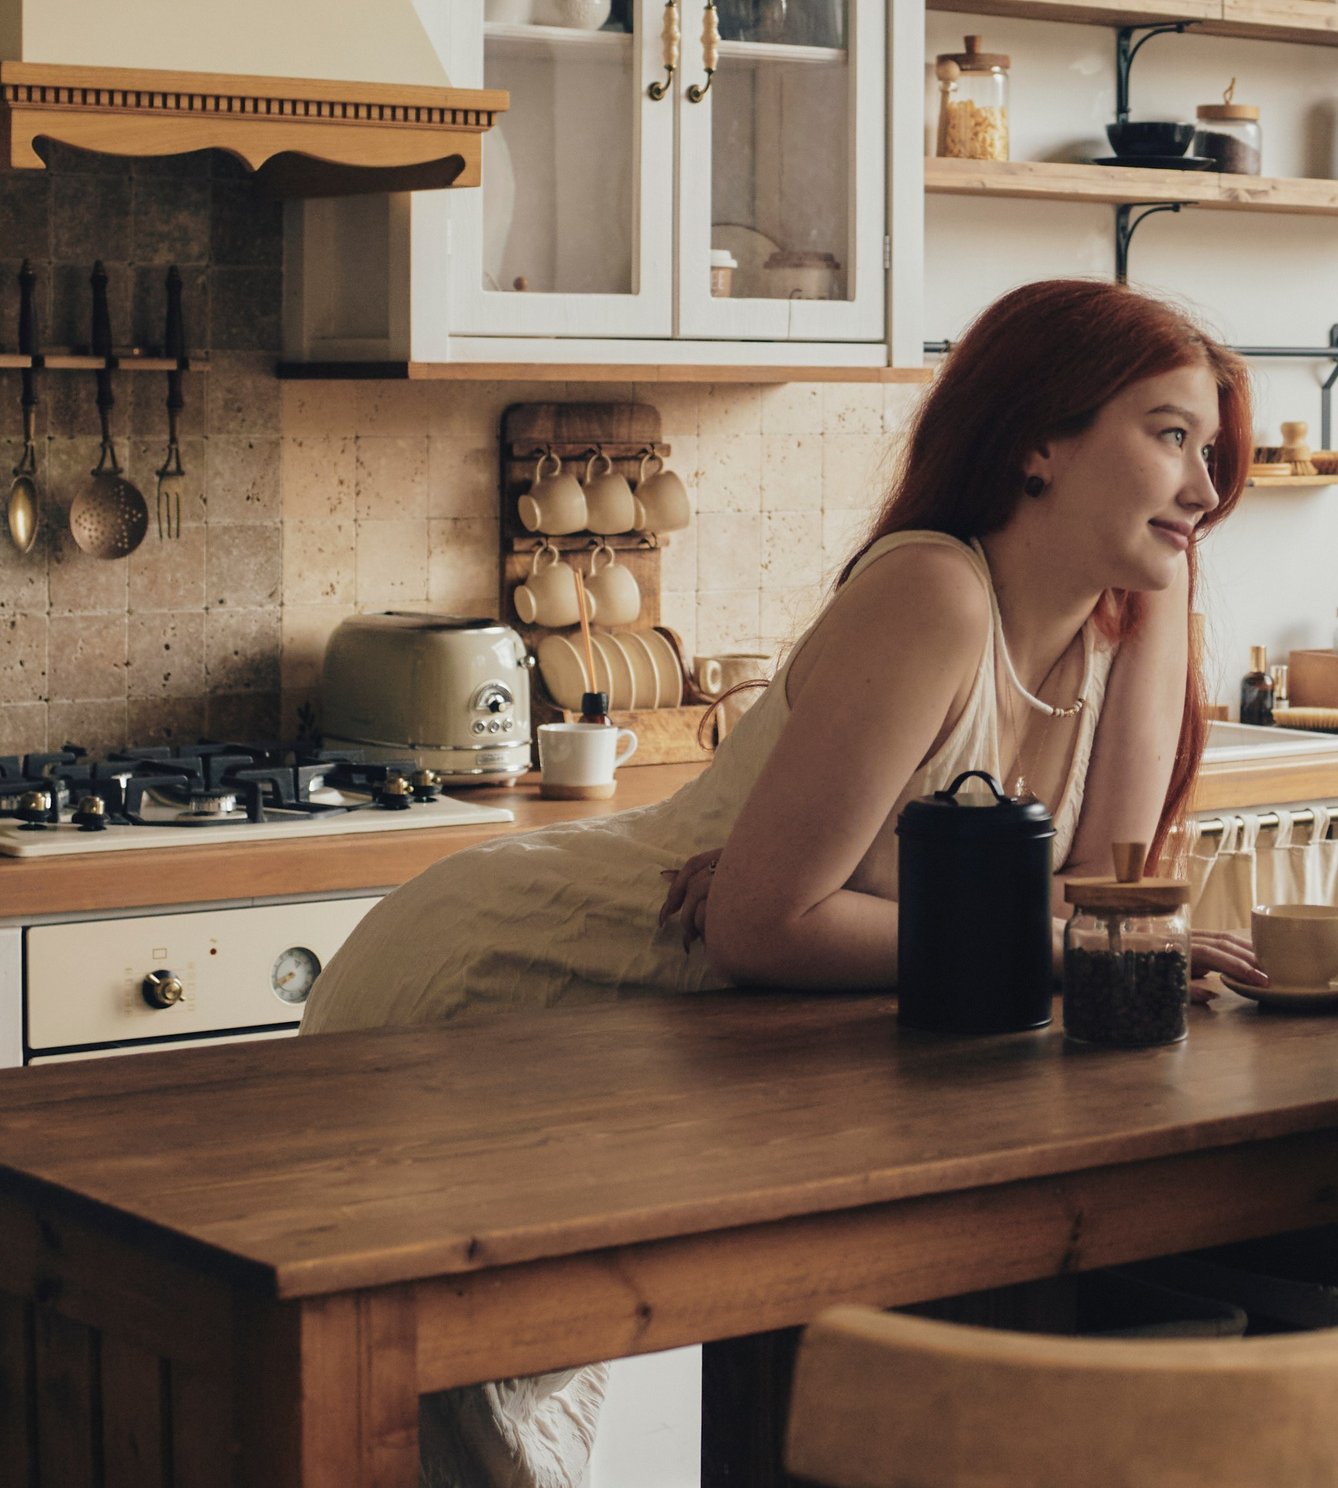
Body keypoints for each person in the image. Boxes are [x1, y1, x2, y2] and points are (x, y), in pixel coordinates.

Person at [304, 277, 1263, 1488]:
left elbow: (1094, 895)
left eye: (1211, 450)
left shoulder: (1133, 615)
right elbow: (771, 928)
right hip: (514, 983)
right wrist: (1054, 945)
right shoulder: (933, 591)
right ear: (1039, 441)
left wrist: (1047, 929)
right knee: (407, 1436)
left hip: (683, 1050)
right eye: (1171, 436)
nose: (1205, 487)